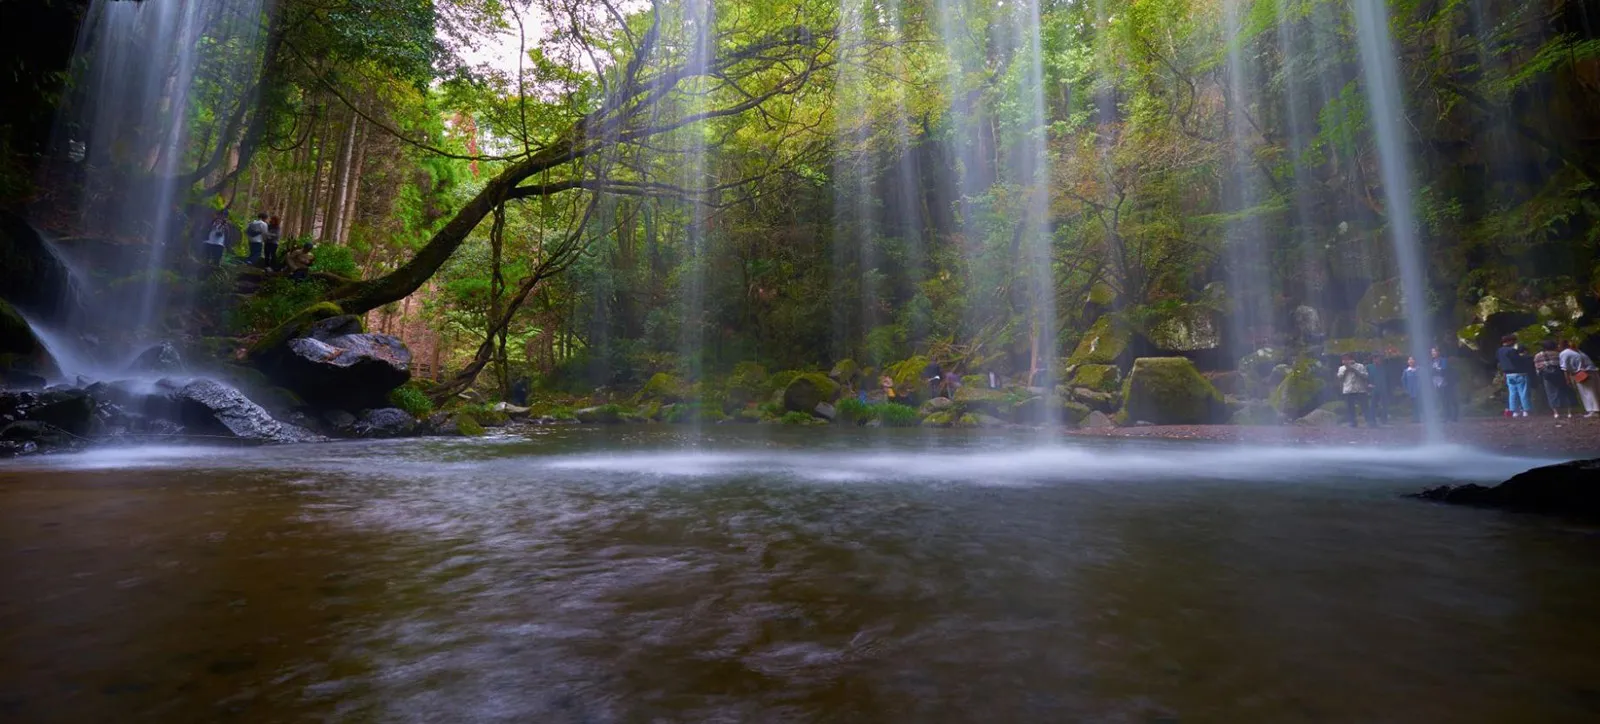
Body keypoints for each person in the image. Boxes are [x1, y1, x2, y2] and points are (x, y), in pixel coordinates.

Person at [1534, 339, 1575, 418]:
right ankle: (1569, 412)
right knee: (1565, 392)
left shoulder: (1538, 355)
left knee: (1551, 393)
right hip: (1560, 375)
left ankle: (1556, 413)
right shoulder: (1559, 354)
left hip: (1547, 377)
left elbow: (1537, 367)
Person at [1496, 335, 1533, 417]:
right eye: (1514, 341)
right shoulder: (1511, 350)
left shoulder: (1499, 351)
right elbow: (1518, 361)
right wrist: (1524, 356)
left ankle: (1514, 411)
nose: (1514, 343)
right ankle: (1525, 410)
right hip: (1519, 373)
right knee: (1523, 392)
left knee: (1512, 393)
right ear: (1509, 341)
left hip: (1508, 374)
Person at [1560, 339, 1600, 417]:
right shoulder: (1578, 351)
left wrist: (1567, 379)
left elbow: (1565, 368)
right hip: (1593, 371)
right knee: (1595, 391)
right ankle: (1596, 409)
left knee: (1587, 392)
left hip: (1582, 373)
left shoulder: (1564, 353)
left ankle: (1594, 410)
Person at [1337, 353, 1374, 427]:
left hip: (1360, 389)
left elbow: (1365, 376)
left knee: (1364, 406)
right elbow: (1340, 378)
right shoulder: (1342, 368)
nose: (1345, 361)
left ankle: (1370, 422)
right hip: (1348, 390)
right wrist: (1346, 370)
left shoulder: (1360, 366)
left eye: (1346, 359)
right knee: (1350, 408)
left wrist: (1354, 370)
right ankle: (1353, 422)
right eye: (1343, 359)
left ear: (1351, 359)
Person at [1430, 347, 1460, 422]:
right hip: (1437, 383)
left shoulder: (1443, 360)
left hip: (1446, 383)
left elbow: (1443, 370)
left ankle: (1454, 416)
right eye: (1432, 352)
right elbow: (1432, 371)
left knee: (1450, 399)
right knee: (1443, 400)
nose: (1433, 353)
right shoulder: (1432, 361)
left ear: (1438, 352)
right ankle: (1447, 416)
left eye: (1434, 351)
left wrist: (1436, 370)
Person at [1368, 351, 1392, 424]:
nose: (1378, 360)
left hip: (1383, 388)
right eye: (1376, 359)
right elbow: (1365, 377)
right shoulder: (1369, 367)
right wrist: (1368, 384)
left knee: (1384, 404)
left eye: (1379, 359)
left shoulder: (1384, 368)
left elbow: (1388, 378)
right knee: (1373, 405)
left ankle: (1384, 419)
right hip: (1374, 389)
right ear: (1373, 359)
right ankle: (1372, 420)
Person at [1402, 356, 1422, 422]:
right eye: (1409, 360)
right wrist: (1405, 389)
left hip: (1419, 390)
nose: (1411, 361)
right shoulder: (1406, 371)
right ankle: (1414, 417)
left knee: (1419, 404)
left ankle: (1419, 417)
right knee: (1413, 404)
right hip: (1410, 390)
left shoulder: (1419, 369)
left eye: (1412, 360)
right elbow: (1403, 380)